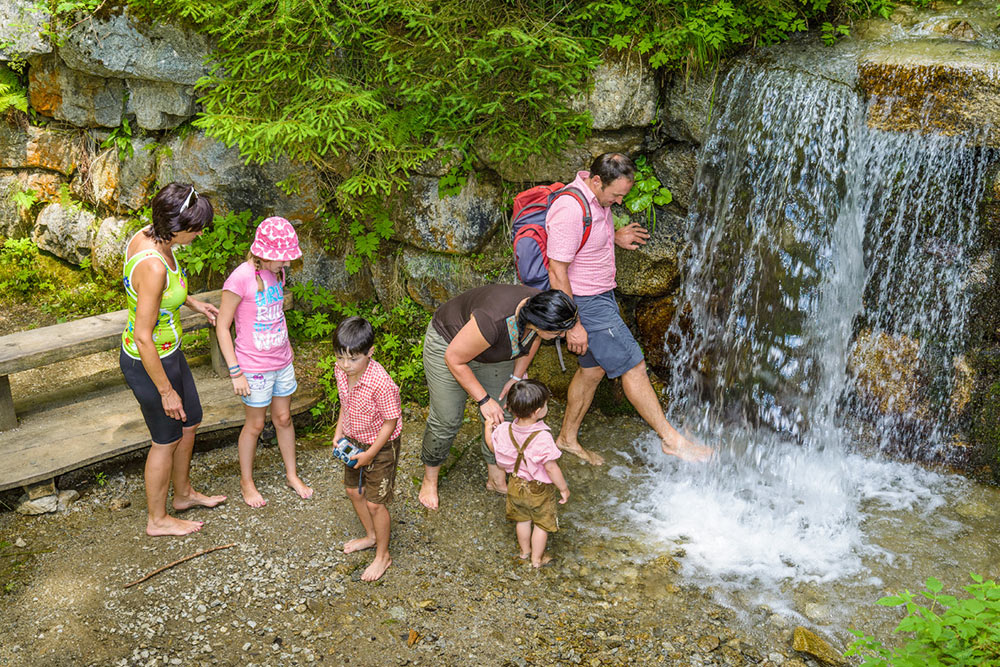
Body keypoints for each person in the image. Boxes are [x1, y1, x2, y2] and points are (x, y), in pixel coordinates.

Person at [546, 152, 712, 465]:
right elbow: (557, 269)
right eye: (617, 195)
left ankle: (567, 438)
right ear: (596, 181)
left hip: (600, 296)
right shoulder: (569, 209)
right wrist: (573, 324)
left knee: (592, 371)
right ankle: (671, 439)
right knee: (633, 364)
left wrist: (612, 236)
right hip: (586, 303)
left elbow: (586, 239)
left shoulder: (595, 200)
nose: (620, 201)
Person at [119, 183, 227, 537]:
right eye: (195, 228)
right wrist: (166, 391)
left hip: (171, 353)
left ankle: (183, 495)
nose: (199, 233)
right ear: (176, 226)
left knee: (190, 422)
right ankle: (157, 519)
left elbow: (166, 294)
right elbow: (143, 336)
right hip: (148, 363)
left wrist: (193, 302)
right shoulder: (151, 266)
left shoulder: (159, 236)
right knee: (165, 438)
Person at [418, 286, 578, 510]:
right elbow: (454, 358)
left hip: (494, 350)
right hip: (449, 344)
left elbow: (533, 340)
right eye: (558, 333)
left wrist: (516, 376)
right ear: (542, 323)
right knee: (447, 419)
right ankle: (429, 479)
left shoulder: (539, 308)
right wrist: (483, 400)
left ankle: (495, 476)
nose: (561, 337)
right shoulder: (496, 319)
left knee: (506, 413)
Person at [215, 216, 312, 508]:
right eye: (280, 259)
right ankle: (247, 481)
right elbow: (222, 326)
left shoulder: (277, 274)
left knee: (283, 418)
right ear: (262, 253)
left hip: (282, 360)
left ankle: (291, 475)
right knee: (255, 425)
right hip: (253, 367)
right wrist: (236, 372)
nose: (285, 264)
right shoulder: (240, 278)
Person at [332, 316, 402, 582]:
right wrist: (339, 431)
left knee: (375, 503)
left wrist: (371, 453)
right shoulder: (341, 371)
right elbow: (345, 402)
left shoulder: (381, 383)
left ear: (370, 352)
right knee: (353, 490)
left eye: (353, 359)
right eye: (340, 358)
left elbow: (390, 421)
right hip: (353, 439)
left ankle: (383, 555)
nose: (345, 365)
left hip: (381, 445)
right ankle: (371, 536)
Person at [484, 379, 569, 568]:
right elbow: (551, 468)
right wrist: (563, 488)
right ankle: (537, 559)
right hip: (538, 489)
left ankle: (524, 552)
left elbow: (493, 448)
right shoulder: (543, 437)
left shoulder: (504, 430)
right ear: (538, 411)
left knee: (522, 520)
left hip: (515, 484)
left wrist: (487, 429)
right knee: (541, 524)